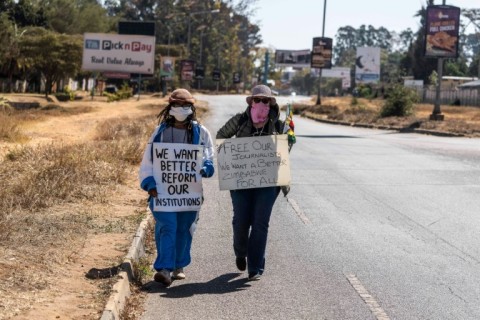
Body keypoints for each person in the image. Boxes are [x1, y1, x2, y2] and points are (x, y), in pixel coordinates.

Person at [216, 84, 294, 281]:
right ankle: (241, 253)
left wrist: (289, 137)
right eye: (257, 100)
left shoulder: (278, 124)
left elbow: (287, 147)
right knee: (241, 221)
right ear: (251, 102)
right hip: (241, 181)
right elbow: (221, 136)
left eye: (265, 100)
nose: (261, 103)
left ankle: (255, 266)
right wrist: (232, 157)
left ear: (270, 103)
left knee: (260, 223)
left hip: (269, 182)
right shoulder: (240, 120)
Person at [139, 88, 215, 287]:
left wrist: (207, 166)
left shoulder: (200, 132)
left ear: (191, 107)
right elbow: (148, 159)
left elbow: (208, 153)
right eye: (177, 105)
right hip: (162, 193)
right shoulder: (160, 132)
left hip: (189, 194)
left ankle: (179, 265)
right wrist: (149, 183)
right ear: (169, 107)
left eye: (185, 105)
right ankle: (164, 269)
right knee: (167, 227)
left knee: (184, 228)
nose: (181, 109)